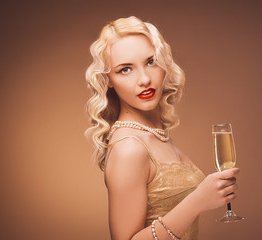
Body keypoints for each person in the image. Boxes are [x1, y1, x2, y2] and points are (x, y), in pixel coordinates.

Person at [85, 16, 240, 240]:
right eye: (125, 69)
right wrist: (197, 202)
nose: (145, 79)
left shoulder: (153, 134)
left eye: (151, 62)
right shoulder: (129, 148)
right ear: (108, 79)